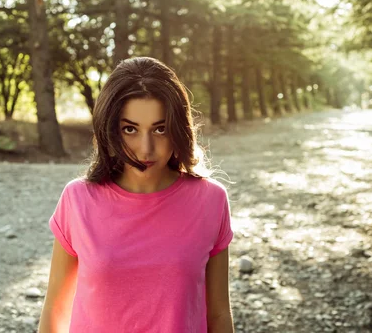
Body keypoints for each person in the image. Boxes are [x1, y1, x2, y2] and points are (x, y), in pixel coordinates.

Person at [37, 57, 234, 333]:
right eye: (130, 129)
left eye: (160, 128)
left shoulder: (211, 201)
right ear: (110, 130)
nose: (146, 149)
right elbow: (56, 309)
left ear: (178, 129)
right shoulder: (78, 200)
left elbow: (219, 315)